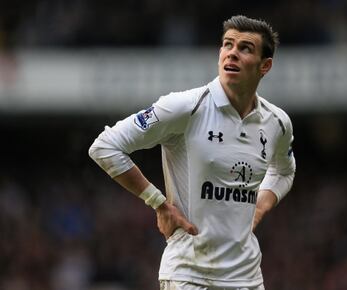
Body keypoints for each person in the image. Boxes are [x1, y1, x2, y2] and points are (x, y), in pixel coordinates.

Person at [89, 15, 296, 290]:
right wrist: (159, 203)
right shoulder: (186, 107)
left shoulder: (277, 122)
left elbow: (284, 169)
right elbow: (105, 146)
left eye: (245, 48)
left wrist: (260, 207)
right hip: (189, 275)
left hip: (247, 278)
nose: (232, 53)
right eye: (227, 44)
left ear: (265, 65)